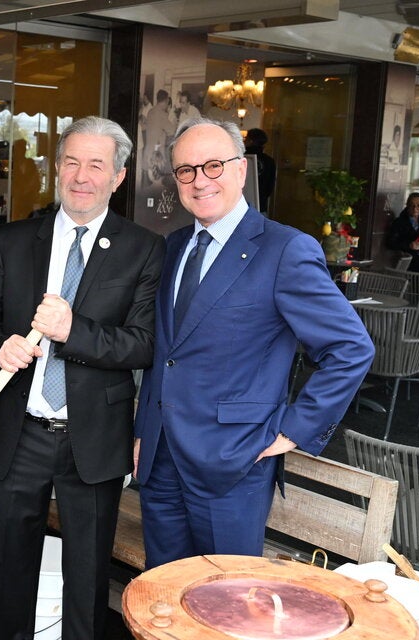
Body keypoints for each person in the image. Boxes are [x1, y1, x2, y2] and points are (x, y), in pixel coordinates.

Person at [133, 118, 375, 570]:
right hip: (159, 461)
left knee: (226, 603)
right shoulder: (173, 246)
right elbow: (165, 354)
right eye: (186, 170)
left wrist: (296, 429)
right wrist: (143, 430)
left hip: (234, 464)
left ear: (241, 170)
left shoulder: (285, 250)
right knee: (161, 597)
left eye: (212, 166)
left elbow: (350, 348)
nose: (199, 180)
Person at [0, 115, 165, 640]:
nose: (81, 175)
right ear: (56, 168)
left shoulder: (143, 248)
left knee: (87, 579)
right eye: (71, 161)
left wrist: (74, 330)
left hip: (91, 439)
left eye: (96, 164)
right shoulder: (13, 239)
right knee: (7, 574)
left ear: (118, 177)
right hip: (19, 431)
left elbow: (143, 345)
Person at [386, 191, 419, 272]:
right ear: (407, 206)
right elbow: (390, 243)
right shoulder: (400, 222)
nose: (415, 208)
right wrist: (409, 245)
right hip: (411, 258)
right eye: (412, 205)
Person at [244, 127, 277, 212]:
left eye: (246, 138)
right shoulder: (269, 161)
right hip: (260, 205)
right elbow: (270, 187)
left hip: (240, 204)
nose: (244, 141)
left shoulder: (241, 158)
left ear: (250, 141)